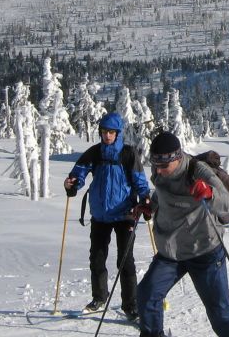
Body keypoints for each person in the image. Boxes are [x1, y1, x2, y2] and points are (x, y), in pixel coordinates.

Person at [134, 130, 229, 337]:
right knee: (147, 295)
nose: (159, 170)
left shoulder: (197, 170)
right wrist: (150, 206)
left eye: (164, 165)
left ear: (177, 157)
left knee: (220, 311)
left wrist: (210, 194)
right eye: (155, 165)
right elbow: (160, 194)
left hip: (205, 250)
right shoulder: (159, 171)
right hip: (171, 251)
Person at [64, 112, 150, 317]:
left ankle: (131, 305)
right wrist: (72, 184)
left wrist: (145, 199)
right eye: (104, 132)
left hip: (125, 214)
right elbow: (79, 173)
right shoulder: (95, 153)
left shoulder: (128, 154)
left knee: (125, 261)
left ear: (118, 133)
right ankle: (99, 298)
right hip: (100, 215)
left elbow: (140, 180)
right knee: (97, 258)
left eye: (111, 132)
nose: (107, 136)